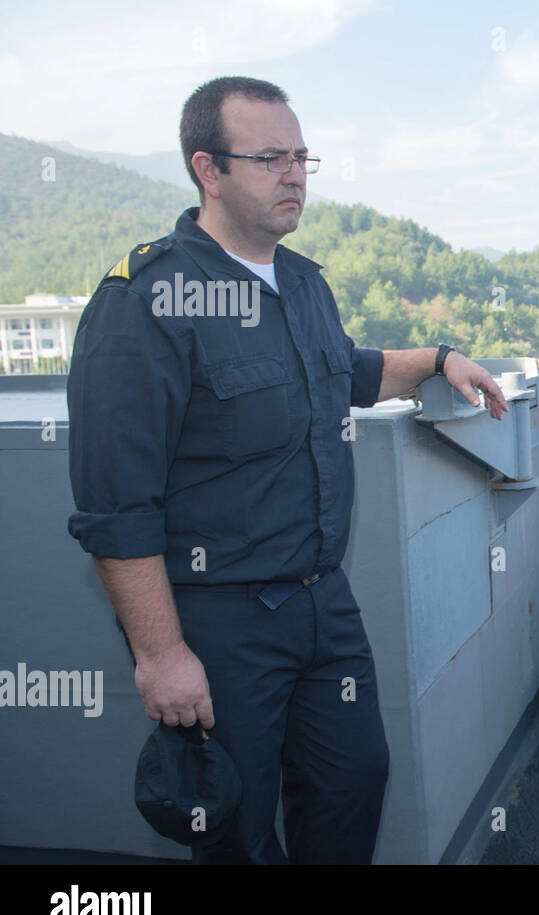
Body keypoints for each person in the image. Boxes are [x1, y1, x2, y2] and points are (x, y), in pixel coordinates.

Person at [66, 76, 507, 864]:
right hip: (219, 619)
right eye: (270, 158)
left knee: (354, 781)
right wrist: (162, 656)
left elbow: (349, 371)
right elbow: (115, 506)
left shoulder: (302, 283)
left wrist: (439, 359)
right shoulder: (148, 302)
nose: (294, 175)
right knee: (235, 824)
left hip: (321, 604)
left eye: (301, 157)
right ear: (209, 169)